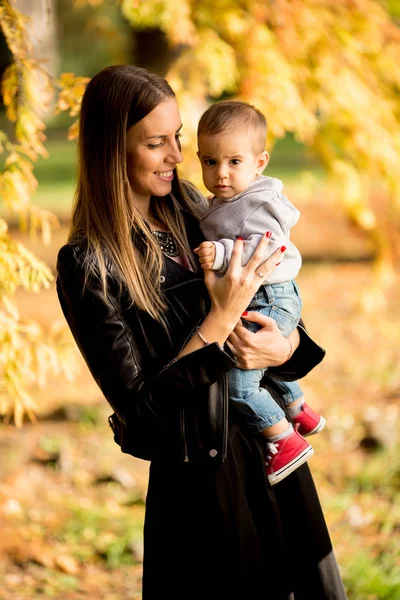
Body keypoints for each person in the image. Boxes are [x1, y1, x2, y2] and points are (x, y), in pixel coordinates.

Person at [56, 64, 347, 600]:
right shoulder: (89, 264)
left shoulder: (201, 209)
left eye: (177, 138)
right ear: (110, 150)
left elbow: (276, 305)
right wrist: (216, 321)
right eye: (155, 143)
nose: (176, 156)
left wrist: (284, 348)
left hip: (272, 454)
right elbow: (140, 420)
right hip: (202, 489)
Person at [195, 100, 326, 485]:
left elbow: (268, 246)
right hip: (260, 296)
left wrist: (219, 253)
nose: (220, 174)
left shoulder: (259, 204)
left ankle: (283, 438)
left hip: (271, 298)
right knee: (258, 359)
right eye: (209, 162)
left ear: (260, 163)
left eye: (234, 162)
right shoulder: (228, 200)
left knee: (239, 383)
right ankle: (298, 408)